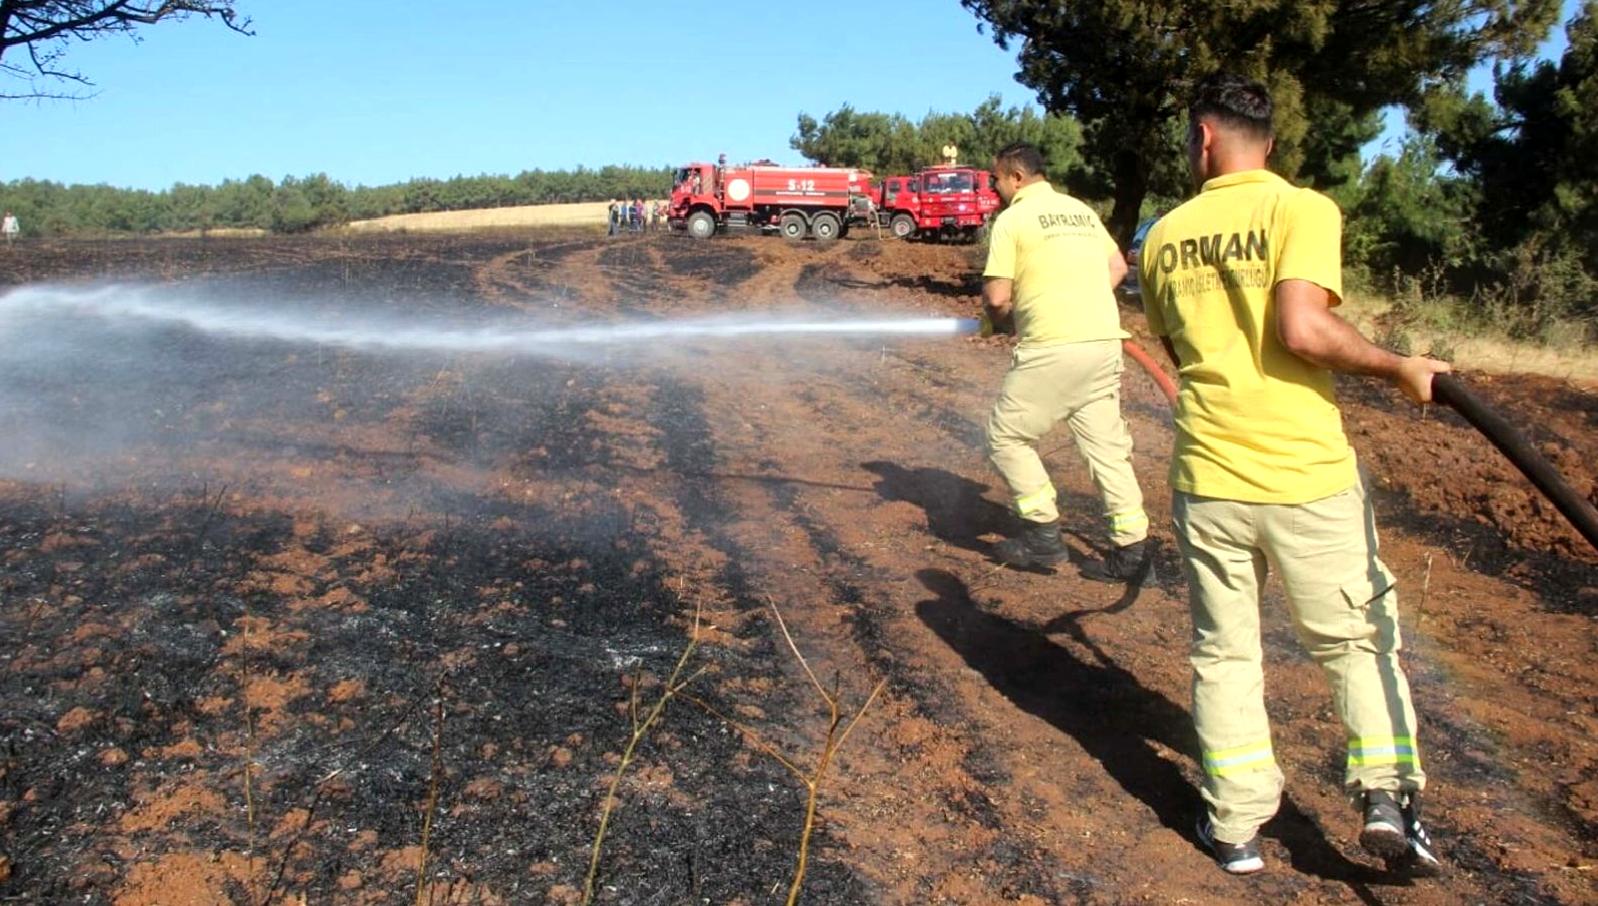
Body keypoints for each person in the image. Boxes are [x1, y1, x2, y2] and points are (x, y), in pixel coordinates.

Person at [1139, 72, 1449, 877]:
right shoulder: (1300, 208)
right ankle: (1387, 799)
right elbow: (1304, 330)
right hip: (1304, 475)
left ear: (1202, 138)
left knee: (1226, 651)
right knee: (1354, 638)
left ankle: (1235, 827)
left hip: (1209, 477)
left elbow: (1179, 353)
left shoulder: (1165, 234)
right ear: (1265, 141)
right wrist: (1398, 366)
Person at [980, 141, 1151, 582]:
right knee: (1106, 450)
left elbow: (997, 299)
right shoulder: (1080, 210)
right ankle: (1133, 551)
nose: (995, 187)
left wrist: (1006, 321)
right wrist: (1079, 297)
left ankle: (1042, 537)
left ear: (1016, 177)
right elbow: (1116, 267)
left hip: (1053, 347)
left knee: (1006, 437)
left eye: (996, 178)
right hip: (1103, 345)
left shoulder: (1013, 219)